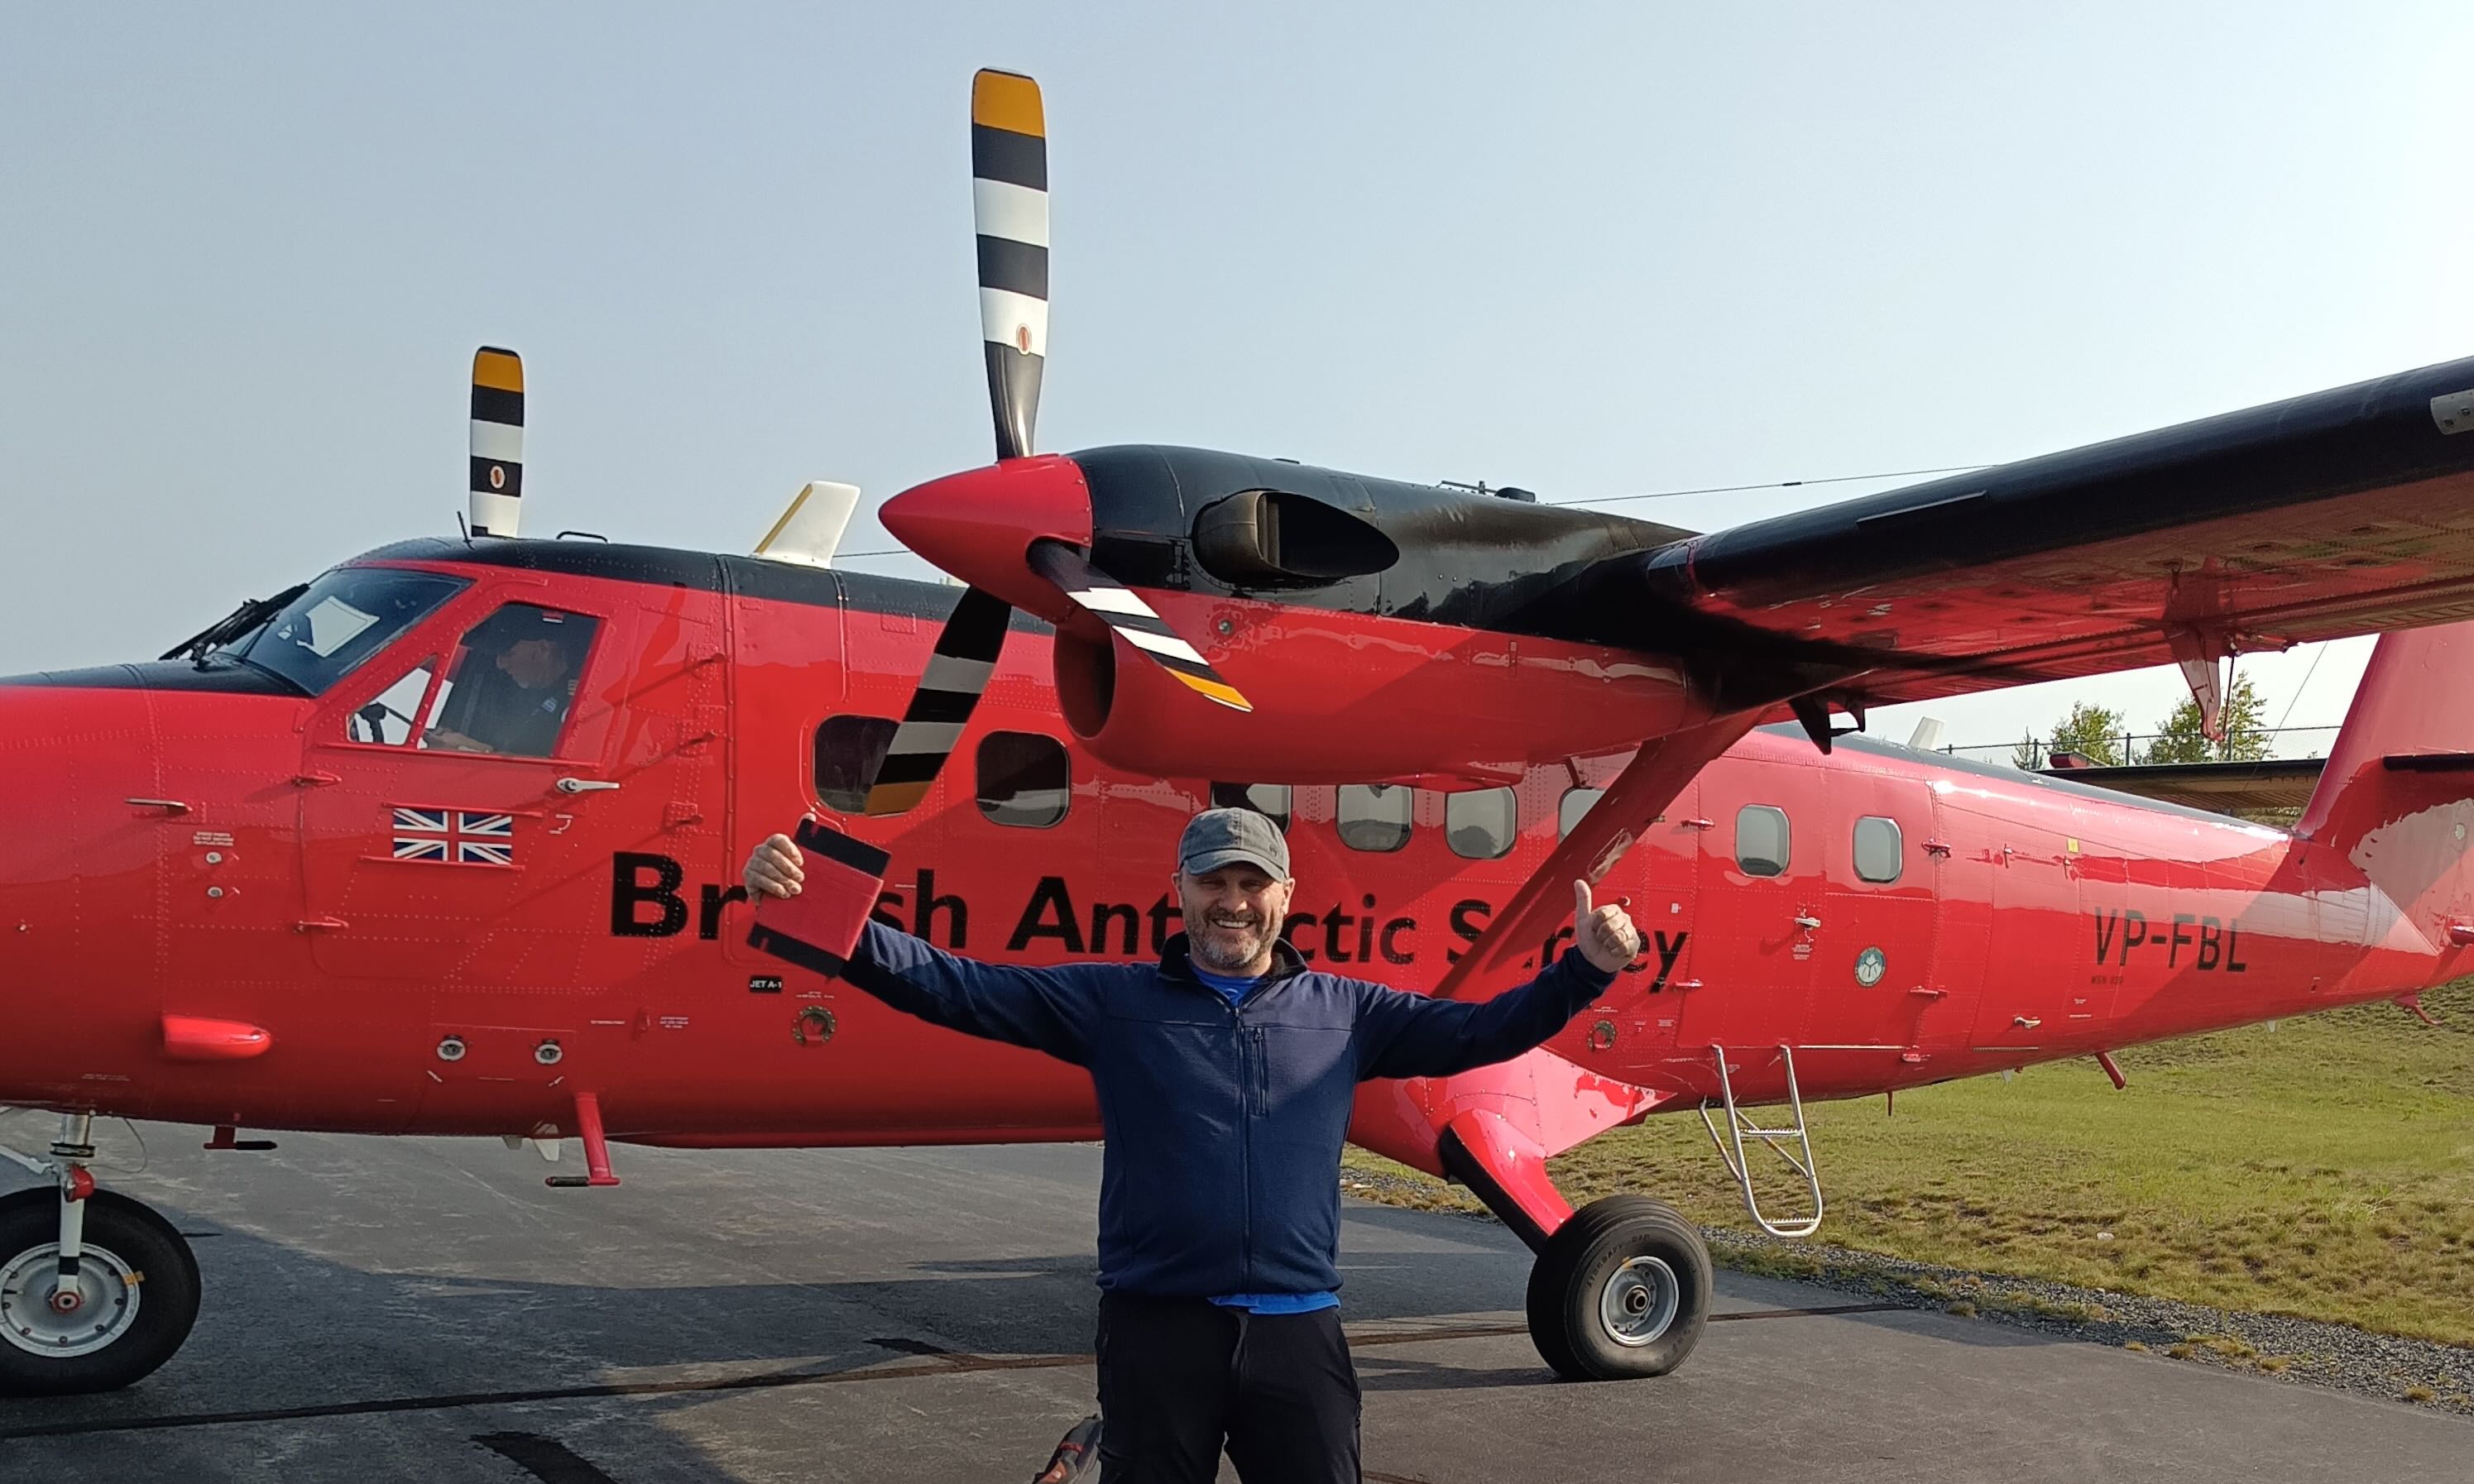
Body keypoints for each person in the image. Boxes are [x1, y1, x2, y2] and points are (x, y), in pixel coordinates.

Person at [742, 806, 1640, 1484]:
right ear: (1181, 890)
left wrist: (1582, 972)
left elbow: (1483, 1031)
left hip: (1297, 1331)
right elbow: (960, 988)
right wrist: (831, 922)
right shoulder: (1112, 1004)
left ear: (1285, 896)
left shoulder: (1347, 1014)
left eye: (1252, 885)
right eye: (1214, 883)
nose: (1233, 903)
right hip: (1155, 1330)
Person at [424, 623, 581, 755]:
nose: (500, 665)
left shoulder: (580, 696)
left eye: (509, 654)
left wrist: (470, 749)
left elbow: (555, 770)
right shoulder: (519, 692)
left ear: (542, 649)